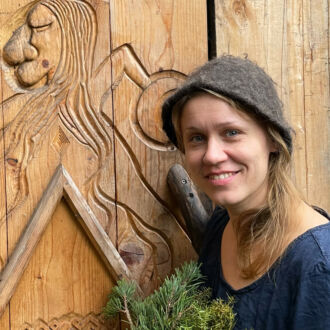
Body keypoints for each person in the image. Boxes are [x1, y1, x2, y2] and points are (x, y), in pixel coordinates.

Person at [161, 55, 330, 329]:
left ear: (272, 139)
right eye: (197, 138)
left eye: (231, 132)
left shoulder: (318, 266)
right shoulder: (223, 224)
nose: (212, 156)